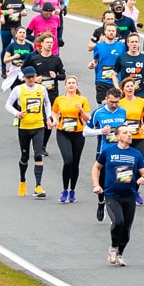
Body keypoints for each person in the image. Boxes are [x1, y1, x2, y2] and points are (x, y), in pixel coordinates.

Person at [94, 122, 144, 266]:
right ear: (117, 136)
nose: (129, 135)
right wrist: (96, 185)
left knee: (126, 230)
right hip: (112, 194)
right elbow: (96, 167)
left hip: (129, 194)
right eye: (125, 133)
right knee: (118, 221)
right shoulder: (108, 151)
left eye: (130, 132)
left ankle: (120, 254)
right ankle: (113, 247)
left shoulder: (136, 154)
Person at [5, 66, 53, 197]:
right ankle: (22, 181)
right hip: (24, 127)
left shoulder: (41, 89)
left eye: (32, 77)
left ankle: (38, 186)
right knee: (25, 156)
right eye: (28, 77)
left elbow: (47, 103)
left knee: (38, 155)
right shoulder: (18, 89)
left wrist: (48, 117)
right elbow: (8, 104)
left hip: (38, 126)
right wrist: (17, 113)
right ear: (24, 78)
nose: (31, 79)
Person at [50, 75, 92, 204]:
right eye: (69, 83)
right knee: (68, 161)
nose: (71, 85)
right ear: (65, 85)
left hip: (78, 133)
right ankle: (64, 190)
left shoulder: (82, 99)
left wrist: (81, 111)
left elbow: (87, 118)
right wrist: (55, 120)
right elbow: (54, 111)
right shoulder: (59, 99)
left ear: (77, 85)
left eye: (74, 83)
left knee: (75, 162)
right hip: (63, 132)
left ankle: (72, 190)